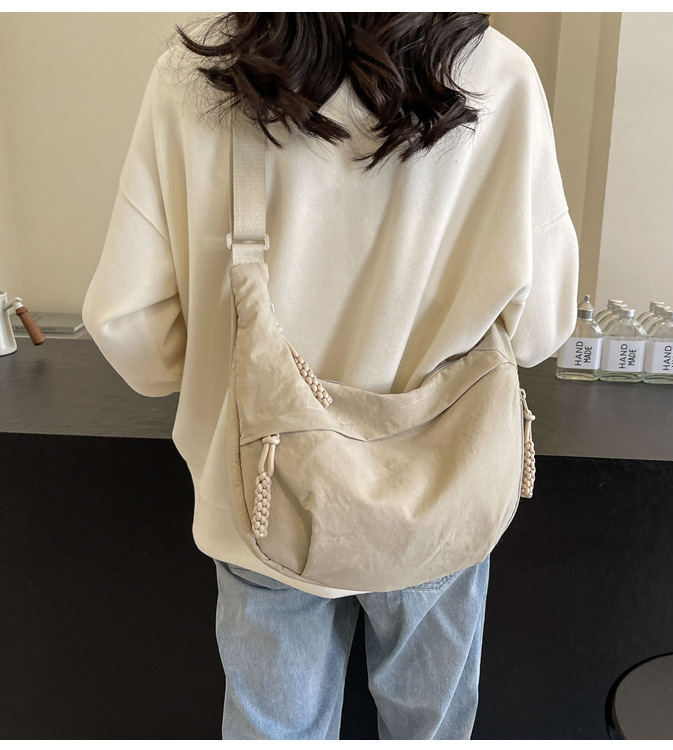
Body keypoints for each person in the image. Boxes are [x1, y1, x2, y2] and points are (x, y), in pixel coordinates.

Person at [82, 12, 579, 740]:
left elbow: (132, 327)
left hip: (259, 495)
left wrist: (234, 369)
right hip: (442, 490)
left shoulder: (200, 75)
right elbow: (541, 329)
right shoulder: (497, 75)